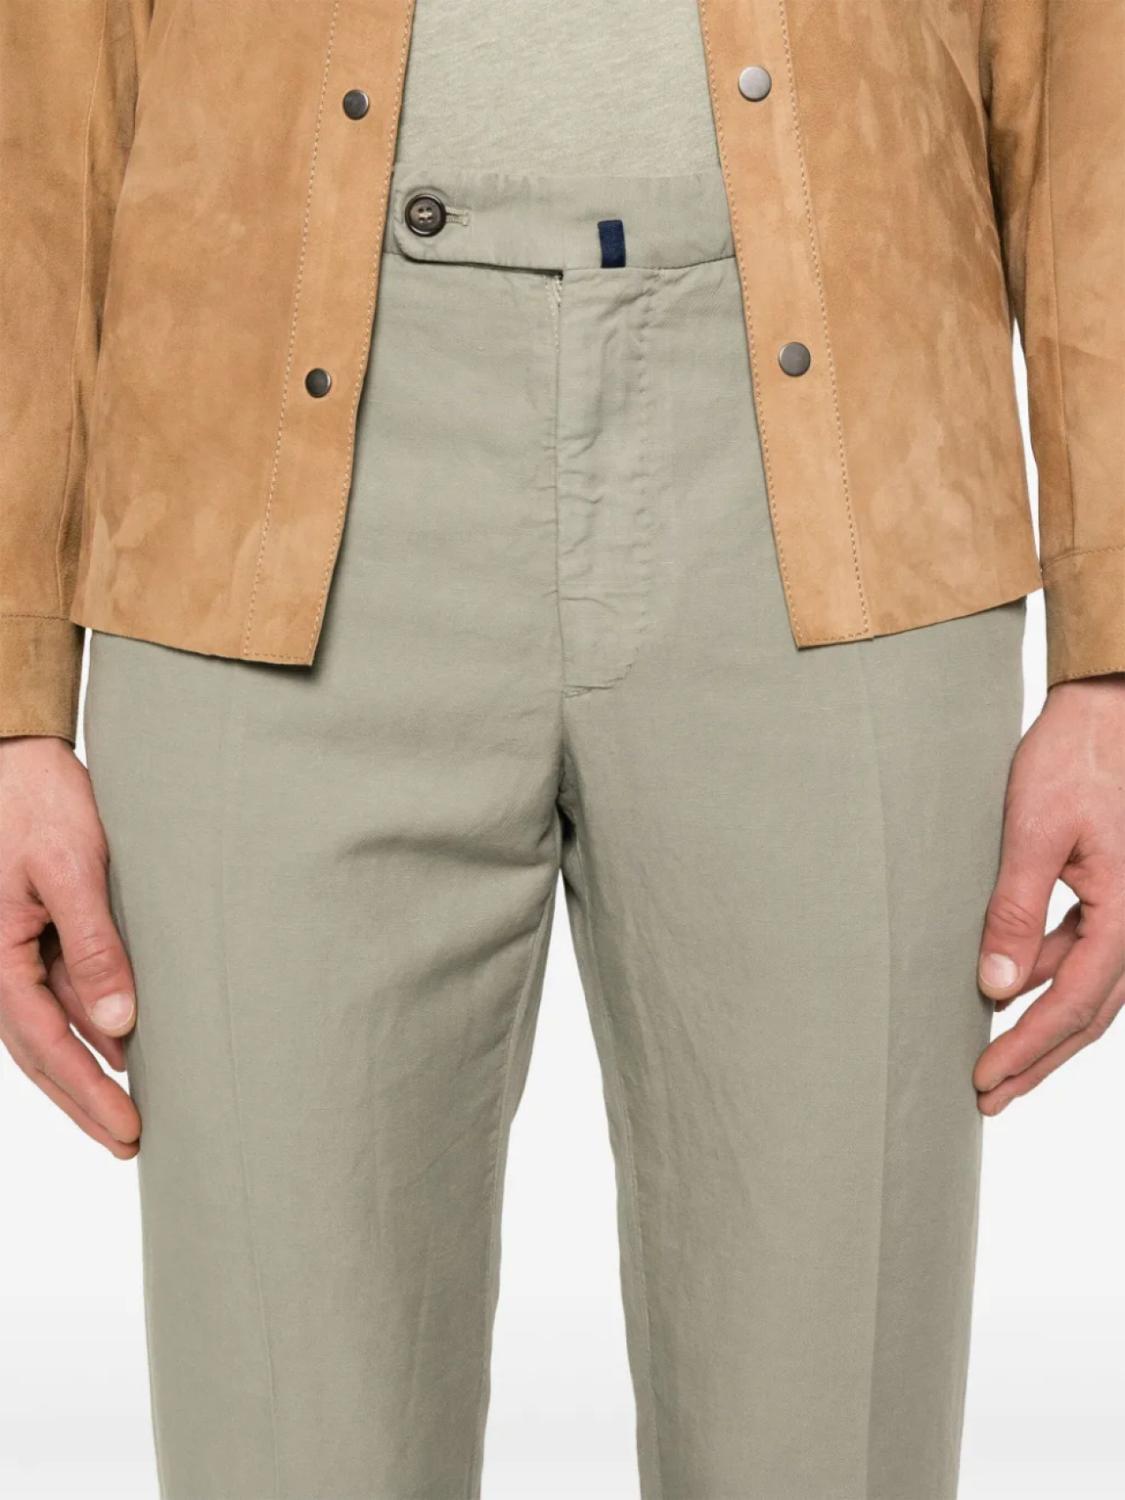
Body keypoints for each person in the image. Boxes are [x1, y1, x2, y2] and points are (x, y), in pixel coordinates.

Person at [1, 2, 1122, 1496]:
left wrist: (1114, 660)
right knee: (282, 1438)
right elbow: (38, 101)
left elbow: (1098, 84)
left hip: (852, 468)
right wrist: (11, 694)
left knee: (822, 1432)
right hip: (244, 478)